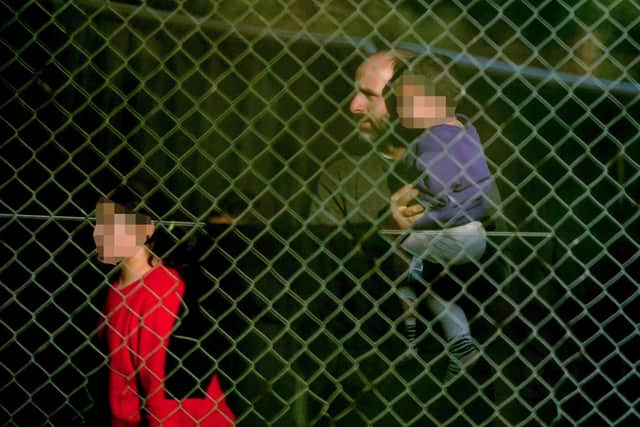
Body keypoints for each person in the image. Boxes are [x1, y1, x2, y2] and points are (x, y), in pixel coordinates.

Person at [314, 49, 500, 384]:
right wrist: (381, 236)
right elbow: (320, 277)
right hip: (367, 374)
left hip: (456, 385)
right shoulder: (340, 176)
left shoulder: (466, 166)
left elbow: (497, 271)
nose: (353, 106)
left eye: (370, 96)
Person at [93, 184, 239, 426]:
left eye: (112, 225)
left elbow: (161, 389)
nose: (99, 233)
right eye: (99, 223)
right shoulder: (113, 291)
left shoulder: (164, 289)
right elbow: (119, 381)